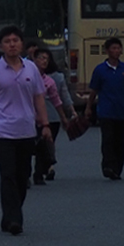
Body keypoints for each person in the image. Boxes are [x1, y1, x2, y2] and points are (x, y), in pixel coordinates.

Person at [0, 25, 52, 236]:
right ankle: (15, 218)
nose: (12, 44)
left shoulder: (31, 69)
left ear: (22, 44)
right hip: (2, 130)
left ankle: (9, 215)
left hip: (26, 129)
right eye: (7, 41)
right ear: (1, 46)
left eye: (15, 40)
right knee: (7, 174)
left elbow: (38, 98)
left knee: (22, 175)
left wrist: (45, 125)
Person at [85, 36, 124, 181]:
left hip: (122, 111)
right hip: (105, 111)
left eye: (118, 48)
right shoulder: (100, 70)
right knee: (108, 139)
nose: (116, 51)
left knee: (120, 141)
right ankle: (108, 166)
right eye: (113, 48)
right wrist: (88, 107)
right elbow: (93, 91)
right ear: (107, 51)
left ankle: (117, 169)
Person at [29, 48, 71, 185]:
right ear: (34, 60)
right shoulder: (26, 79)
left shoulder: (49, 81)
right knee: (28, 147)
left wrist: (64, 117)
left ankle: (39, 173)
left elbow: (57, 100)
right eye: (41, 58)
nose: (44, 61)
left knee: (44, 147)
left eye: (46, 58)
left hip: (50, 118)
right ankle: (24, 174)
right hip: (30, 119)